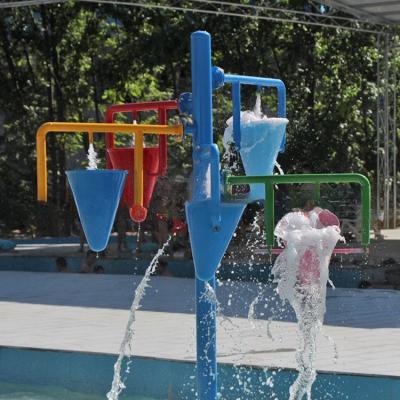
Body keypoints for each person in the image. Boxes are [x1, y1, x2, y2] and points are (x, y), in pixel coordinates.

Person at [272, 203, 341, 400]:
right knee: (308, 315)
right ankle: (306, 360)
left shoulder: (303, 224)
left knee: (308, 316)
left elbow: (281, 233)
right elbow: (281, 232)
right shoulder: (299, 223)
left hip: (306, 280)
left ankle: (306, 361)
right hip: (307, 280)